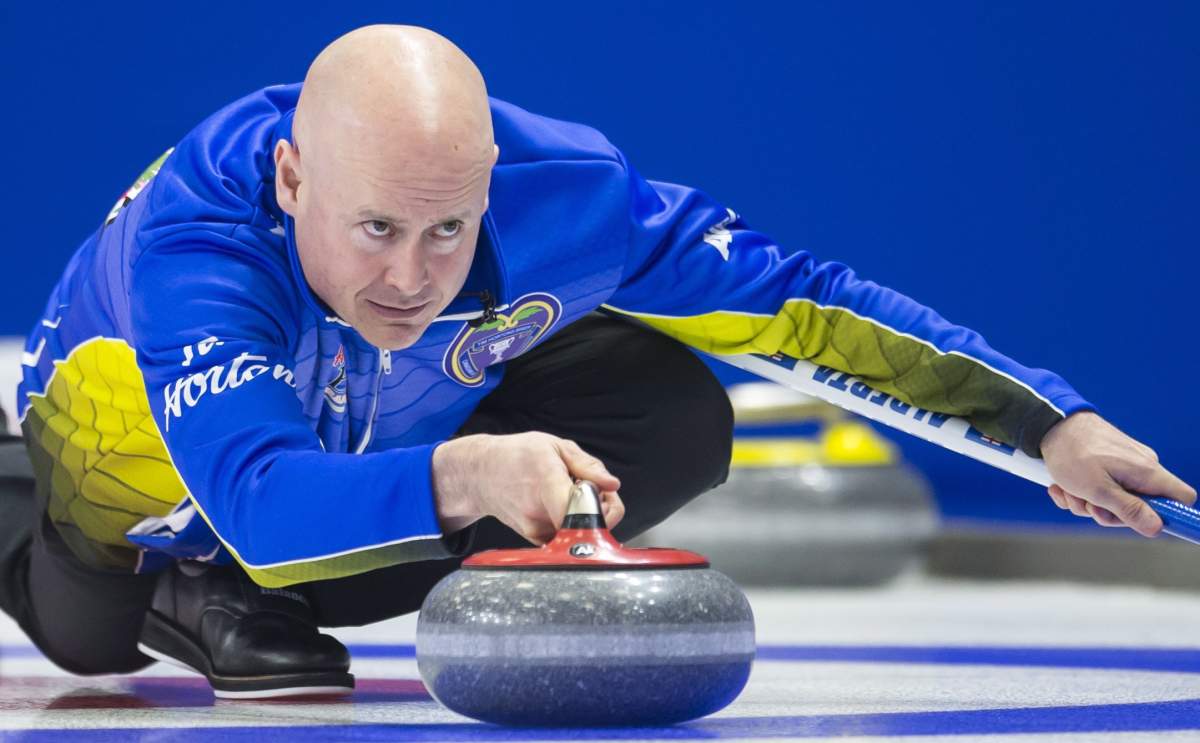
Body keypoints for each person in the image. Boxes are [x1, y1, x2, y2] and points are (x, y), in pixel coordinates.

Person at [0, 25, 1192, 698]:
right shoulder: (199, 240)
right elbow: (255, 495)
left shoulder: (574, 200)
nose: (414, 275)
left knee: (671, 405)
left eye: (448, 229)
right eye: (375, 230)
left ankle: (260, 598)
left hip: (360, 444)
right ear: (294, 180)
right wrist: (471, 474)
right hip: (141, 479)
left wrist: (1046, 426)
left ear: (486, 188)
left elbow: (805, 309)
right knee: (93, 620)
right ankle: (137, 571)